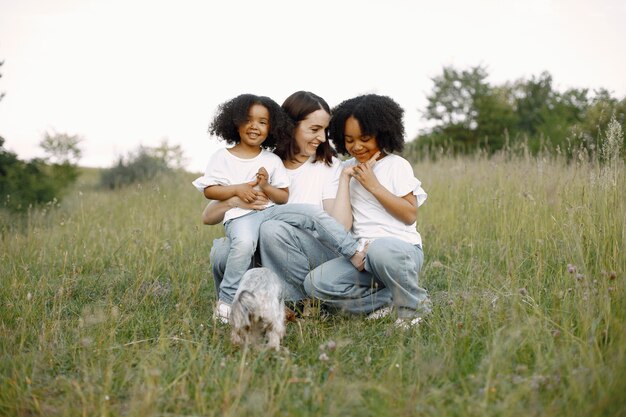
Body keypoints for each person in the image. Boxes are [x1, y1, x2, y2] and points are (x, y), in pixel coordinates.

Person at [199, 92, 366, 323]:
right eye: (314, 129)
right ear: (291, 126)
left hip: (317, 253)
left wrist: (345, 182)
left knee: (272, 229)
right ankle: (233, 308)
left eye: (325, 131)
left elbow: (341, 225)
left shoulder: (328, 167)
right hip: (268, 250)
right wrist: (235, 199)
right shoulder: (266, 162)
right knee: (222, 252)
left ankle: (303, 304)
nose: (322, 138)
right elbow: (208, 216)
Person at [303, 94, 432, 328]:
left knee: (381, 249)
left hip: (398, 252)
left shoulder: (396, 165)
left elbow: (409, 214)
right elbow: (341, 226)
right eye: (349, 140)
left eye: (365, 138)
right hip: (362, 258)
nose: (357, 146)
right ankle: (389, 300)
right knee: (315, 283)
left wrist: (373, 185)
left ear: (382, 134)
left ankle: (414, 306)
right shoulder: (345, 169)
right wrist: (344, 179)